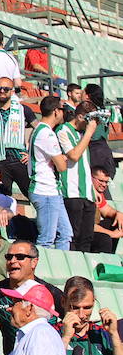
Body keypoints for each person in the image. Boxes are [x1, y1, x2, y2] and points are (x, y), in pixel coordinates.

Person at [30, 96, 94, 250]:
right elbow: (62, 166)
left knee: (66, 234)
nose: (64, 114)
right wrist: (63, 158)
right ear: (55, 111)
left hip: (51, 190)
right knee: (46, 238)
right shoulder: (47, 133)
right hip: (44, 190)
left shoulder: (40, 129)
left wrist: (62, 158)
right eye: (62, 110)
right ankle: (40, 270)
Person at [59, 102, 102, 251]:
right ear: (80, 116)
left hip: (87, 193)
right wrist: (89, 133)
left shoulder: (83, 134)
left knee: (87, 237)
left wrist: (92, 187)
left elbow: (84, 162)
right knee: (74, 236)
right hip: (72, 192)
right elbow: (74, 155)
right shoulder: (63, 130)